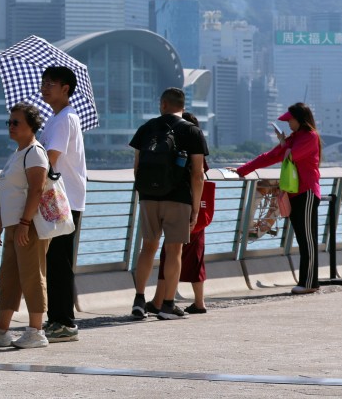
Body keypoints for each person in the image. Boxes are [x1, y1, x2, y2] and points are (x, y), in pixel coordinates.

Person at [0, 103, 50, 350]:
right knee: (8, 278)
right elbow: (9, 194)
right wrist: (0, 225)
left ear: (32, 126)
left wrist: (25, 224)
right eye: (9, 122)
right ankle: (1, 330)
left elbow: (36, 191)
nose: (11, 126)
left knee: (31, 276)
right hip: (13, 225)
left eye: (16, 122)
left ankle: (36, 331)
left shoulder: (35, 153)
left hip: (29, 225)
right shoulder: (18, 153)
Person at [129, 88, 207, 321]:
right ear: (182, 105)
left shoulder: (146, 128)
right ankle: (168, 305)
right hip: (178, 197)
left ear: (163, 104)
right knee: (174, 251)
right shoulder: (191, 131)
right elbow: (198, 174)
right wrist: (194, 207)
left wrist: (145, 192)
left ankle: (140, 300)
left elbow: (137, 166)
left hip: (149, 197)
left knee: (148, 248)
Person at [229, 102, 322, 295]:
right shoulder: (294, 138)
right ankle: (308, 281)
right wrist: (242, 170)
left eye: (290, 120)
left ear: (300, 119)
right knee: (303, 238)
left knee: (308, 240)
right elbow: (269, 157)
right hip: (294, 194)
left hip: (307, 193)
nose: (288, 123)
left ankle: (310, 282)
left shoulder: (309, 137)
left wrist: (284, 144)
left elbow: (290, 156)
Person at [38, 65, 87, 343]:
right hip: (62, 198)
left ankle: (64, 322)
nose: (44, 88)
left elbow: (51, 158)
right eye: (43, 82)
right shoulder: (58, 118)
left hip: (62, 200)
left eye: (50, 84)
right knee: (55, 260)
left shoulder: (63, 119)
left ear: (65, 89)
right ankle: (57, 319)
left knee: (59, 261)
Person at [147, 112, 212, 316]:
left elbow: (193, 177)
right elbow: (201, 175)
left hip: (183, 208)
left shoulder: (176, 151)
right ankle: (199, 302)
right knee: (196, 258)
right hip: (197, 212)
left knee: (169, 255)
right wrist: (196, 209)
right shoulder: (197, 152)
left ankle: (159, 301)